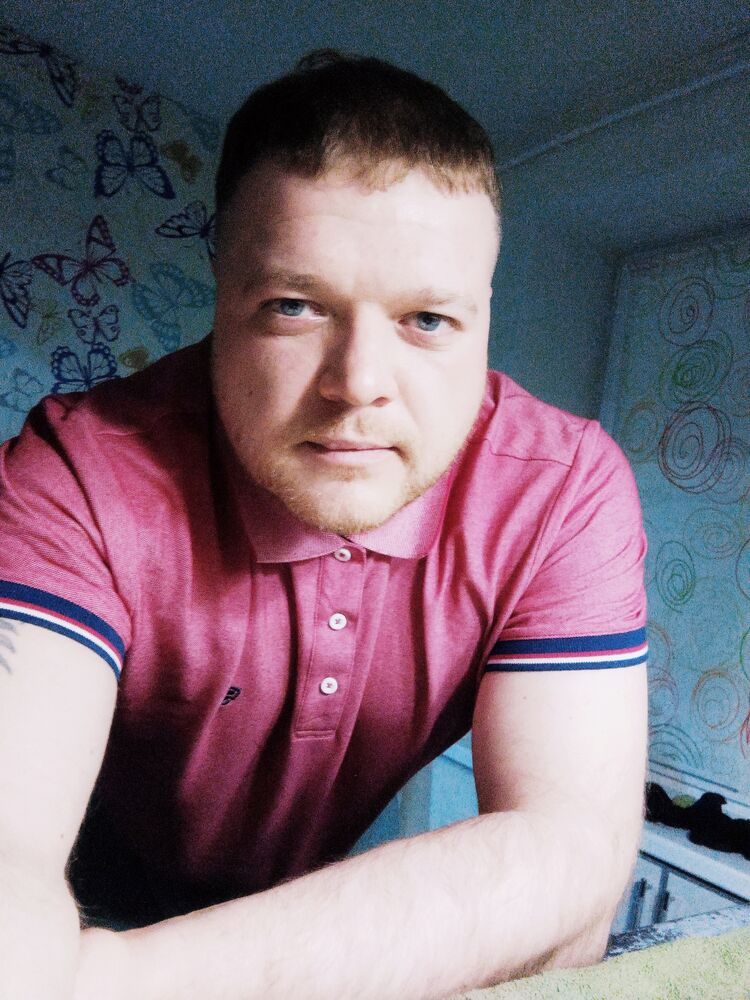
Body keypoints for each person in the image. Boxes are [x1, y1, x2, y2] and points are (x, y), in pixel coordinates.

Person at [0, 50, 648, 1000]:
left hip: (267, 928)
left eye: (428, 320)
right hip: (81, 905)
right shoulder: (79, 472)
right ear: (221, 293)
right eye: (294, 307)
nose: (359, 385)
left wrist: (107, 984)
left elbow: (572, 858)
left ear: (485, 315)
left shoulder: (562, 492)